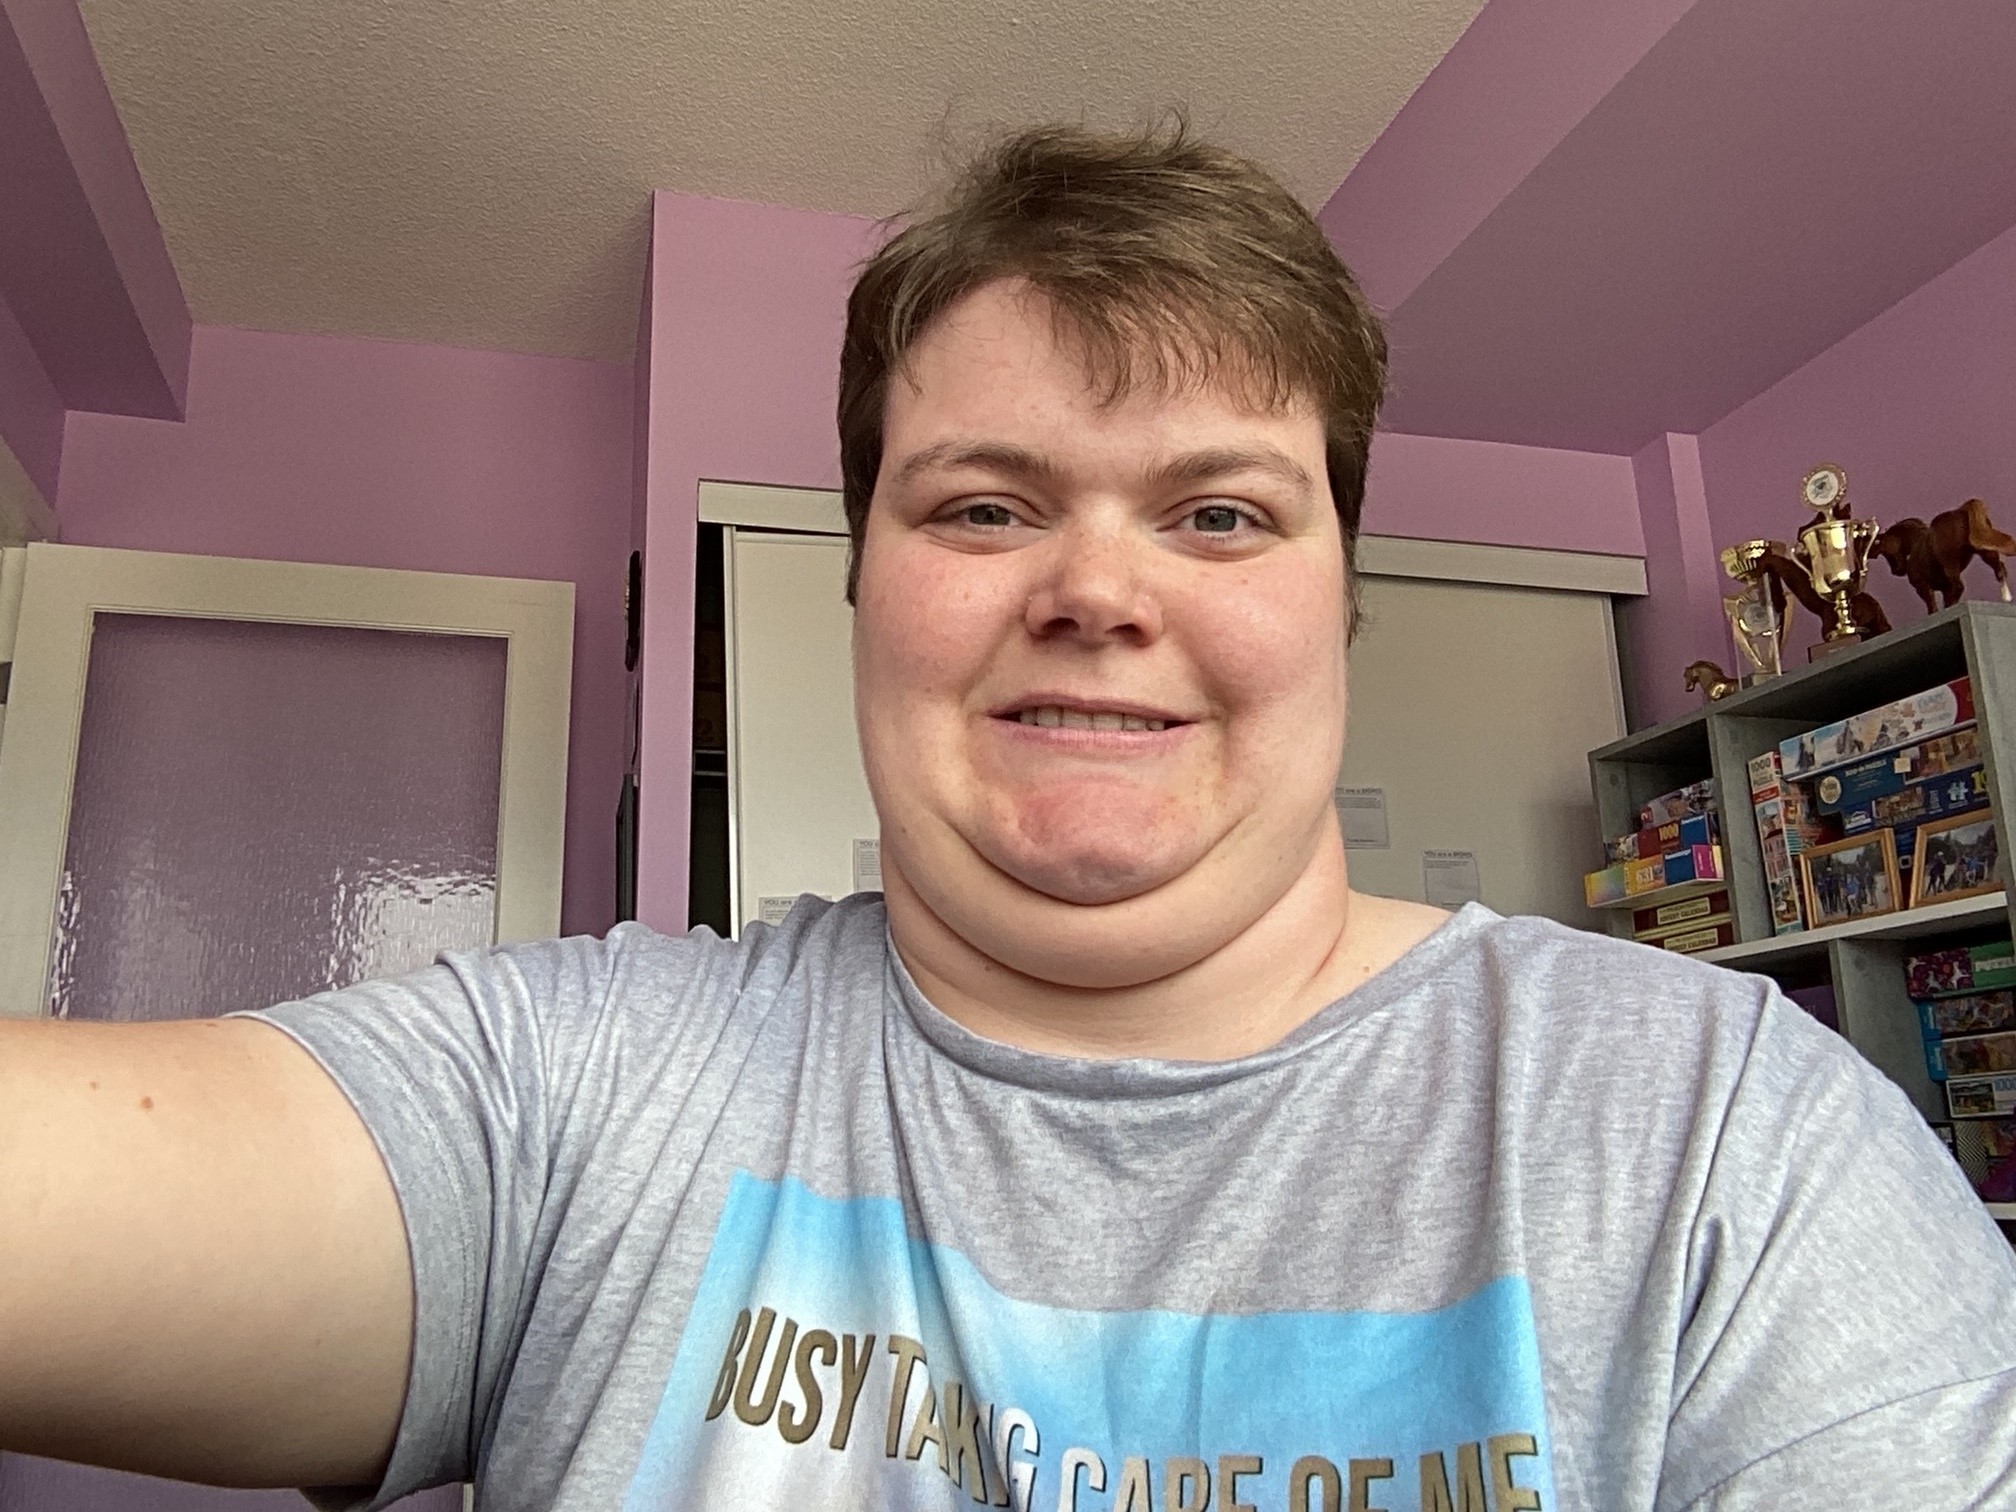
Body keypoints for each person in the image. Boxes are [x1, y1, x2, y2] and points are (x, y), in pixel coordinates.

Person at [4, 121, 2015, 1512]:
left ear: (1343, 595)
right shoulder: (571, 1098)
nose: (1098, 589)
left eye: (1220, 511)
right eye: (982, 504)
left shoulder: (1726, 1140)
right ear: (863, 585)